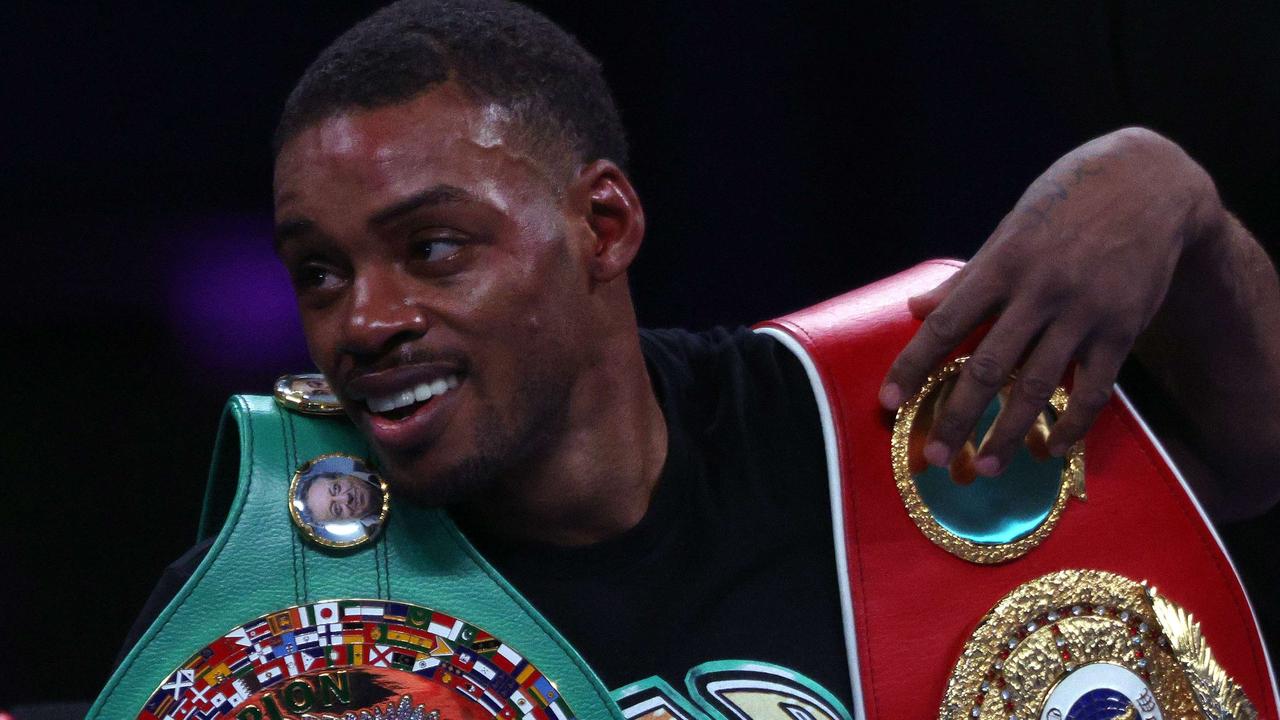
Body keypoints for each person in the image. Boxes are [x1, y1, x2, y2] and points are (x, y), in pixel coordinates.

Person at [116, 0, 1280, 713]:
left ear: (602, 227)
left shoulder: (858, 427)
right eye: (318, 271)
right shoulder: (281, 604)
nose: (363, 321)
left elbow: (1247, 459)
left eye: (431, 248)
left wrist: (1177, 202)